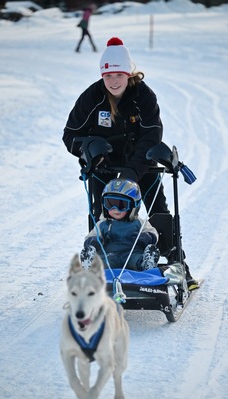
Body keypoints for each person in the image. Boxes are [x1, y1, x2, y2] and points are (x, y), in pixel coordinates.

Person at [63, 36, 198, 289]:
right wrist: (89, 148)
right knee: (102, 214)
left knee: (158, 211)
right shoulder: (92, 97)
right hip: (103, 166)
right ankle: (99, 267)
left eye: (119, 75)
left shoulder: (143, 96)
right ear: (102, 76)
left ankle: (179, 266)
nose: (113, 81)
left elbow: (152, 135)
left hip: (141, 165)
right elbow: (70, 135)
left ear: (128, 74)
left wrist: (132, 171)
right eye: (108, 76)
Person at [80, 178, 160, 271]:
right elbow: (92, 235)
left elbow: (152, 232)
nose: (115, 209)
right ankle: (91, 265)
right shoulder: (102, 223)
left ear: (134, 206)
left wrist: (146, 237)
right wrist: (93, 242)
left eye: (122, 205)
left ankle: (147, 263)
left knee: (136, 260)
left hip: (132, 254)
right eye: (110, 204)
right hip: (110, 254)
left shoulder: (139, 222)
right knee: (104, 262)